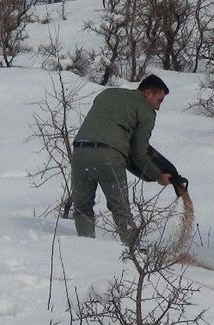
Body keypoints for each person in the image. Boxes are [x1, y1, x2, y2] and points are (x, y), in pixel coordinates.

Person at [70, 74, 171, 245]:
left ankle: (85, 247)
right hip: (108, 157)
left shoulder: (107, 93)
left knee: (82, 208)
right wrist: (158, 175)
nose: (158, 107)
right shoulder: (146, 112)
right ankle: (133, 252)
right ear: (148, 93)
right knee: (121, 209)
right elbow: (139, 152)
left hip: (80, 152)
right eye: (159, 100)